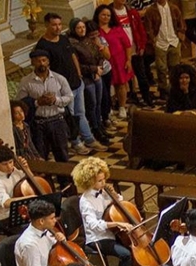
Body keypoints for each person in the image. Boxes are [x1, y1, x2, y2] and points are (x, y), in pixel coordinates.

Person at [37, 13, 106, 154]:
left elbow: (72, 55)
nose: (57, 27)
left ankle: (89, 139)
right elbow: (45, 68)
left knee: (81, 113)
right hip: (62, 88)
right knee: (71, 116)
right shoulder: (43, 45)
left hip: (76, 82)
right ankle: (76, 142)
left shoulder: (63, 38)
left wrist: (79, 74)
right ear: (46, 25)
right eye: (54, 24)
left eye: (59, 24)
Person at [71, 157, 134, 266]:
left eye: (104, 179)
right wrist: (117, 223)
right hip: (97, 238)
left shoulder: (102, 192)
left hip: (110, 233)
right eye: (100, 181)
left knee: (132, 247)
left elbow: (119, 202)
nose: (104, 183)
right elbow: (93, 225)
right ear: (89, 181)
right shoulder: (86, 201)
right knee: (125, 254)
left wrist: (114, 194)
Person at [14, 50, 74, 162]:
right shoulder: (26, 81)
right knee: (41, 155)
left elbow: (69, 97)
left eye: (44, 60)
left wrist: (55, 100)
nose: (41, 63)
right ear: (32, 62)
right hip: (38, 124)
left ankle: (64, 179)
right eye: (38, 61)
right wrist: (37, 103)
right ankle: (45, 179)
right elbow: (20, 103)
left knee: (62, 154)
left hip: (57, 121)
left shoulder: (59, 78)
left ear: (48, 62)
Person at [68, 18, 110, 146]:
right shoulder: (72, 44)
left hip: (96, 74)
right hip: (86, 78)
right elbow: (78, 65)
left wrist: (99, 69)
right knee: (91, 104)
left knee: (98, 102)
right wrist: (94, 69)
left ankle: (100, 125)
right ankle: (95, 128)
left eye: (83, 27)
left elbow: (99, 56)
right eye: (79, 28)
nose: (82, 30)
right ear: (74, 29)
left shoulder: (88, 40)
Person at [14, 199, 66, 266]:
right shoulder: (29, 245)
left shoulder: (45, 230)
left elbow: (55, 250)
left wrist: (60, 240)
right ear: (41, 221)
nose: (55, 220)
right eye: (52, 218)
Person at [94, 4, 135, 122]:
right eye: (103, 15)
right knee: (106, 86)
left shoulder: (117, 28)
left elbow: (127, 45)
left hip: (119, 60)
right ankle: (109, 108)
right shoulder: (95, 30)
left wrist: (128, 60)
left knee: (121, 84)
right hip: (103, 62)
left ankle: (122, 107)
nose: (106, 17)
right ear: (98, 16)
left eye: (108, 15)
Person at [111, 0, 152, 108]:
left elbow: (140, 29)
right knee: (125, 77)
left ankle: (146, 97)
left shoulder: (132, 12)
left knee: (141, 74)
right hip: (120, 51)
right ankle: (130, 96)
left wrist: (142, 45)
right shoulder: (110, 13)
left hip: (134, 48)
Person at [143, 0, 186, 99]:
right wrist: (153, 40)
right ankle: (163, 89)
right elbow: (148, 28)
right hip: (160, 42)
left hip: (173, 41)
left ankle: (175, 88)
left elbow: (181, 23)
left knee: (174, 67)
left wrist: (180, 35)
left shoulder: (174, 8)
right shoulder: (151, 10)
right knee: (161, 68)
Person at [0, 145, 31, 233]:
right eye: (4, 164)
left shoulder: (15, 171)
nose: (9, 167)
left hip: (22, 211)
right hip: (5, 217)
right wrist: (29, 198)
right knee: (30, 230)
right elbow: (5, 203)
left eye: (11, 162)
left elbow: (31, 183)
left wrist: (27, 169)